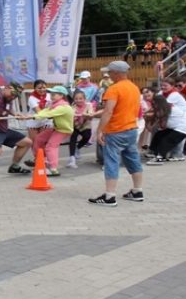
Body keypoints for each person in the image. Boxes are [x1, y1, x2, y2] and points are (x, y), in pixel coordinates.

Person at [89, 61, 143, 206]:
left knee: (111, 161)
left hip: (115, 130)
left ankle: (109, 196)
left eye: (110, 72)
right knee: (133, 159)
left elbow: (109, 111)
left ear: (117, 73)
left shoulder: (114, 89)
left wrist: (100, 130)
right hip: (131, 128)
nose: (109, 75)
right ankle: (137, 190)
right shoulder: (134, 87)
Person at [23, 86, 74, 177]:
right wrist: (31, 116)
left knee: (50, 147)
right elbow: (45, 111)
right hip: (56, 128)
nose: (52, 96)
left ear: (61, 95)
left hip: (63, 130)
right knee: (38, 139)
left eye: (54, 94)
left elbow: (49, 114)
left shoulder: (63, 107)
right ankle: (42, 161)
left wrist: (31, 117)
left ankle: (53, 168)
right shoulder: (54, 104)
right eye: (51, 94)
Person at [144, 95, 186, 165]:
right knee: (159, 135)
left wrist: (150, 118)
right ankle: (154, 152)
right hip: (175, 128)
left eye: (155, 103)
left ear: (159, 103)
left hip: (182, 129)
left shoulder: (167, 109)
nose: (154, 105)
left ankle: (160, 157)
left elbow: (163, 126)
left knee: (166, 140)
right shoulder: (165, 108)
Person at [23, 80, 52, 167]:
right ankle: (38, 159)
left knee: (43, 141)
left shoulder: (50, 96)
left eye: (44, 87)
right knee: (34, 142)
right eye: (39, 88)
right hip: (33, 121)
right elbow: (38, 112)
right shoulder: (32, 98)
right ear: (35, 88)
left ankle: (44, 159)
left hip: (46, 121)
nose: (42, 90)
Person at [67, 90, 94, 169]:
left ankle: (78, 148)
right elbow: (71, 116)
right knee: (73, 138)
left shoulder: (89, 105)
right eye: (76, 99)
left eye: (80, 98)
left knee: (87, 137)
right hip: (75, 125)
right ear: (74, 99)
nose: (78, 100)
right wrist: (75, 116)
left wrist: (86, 115)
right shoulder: (72, 107)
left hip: (86, 125)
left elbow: (91, 114)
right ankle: (72, 158)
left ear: (84, 99)